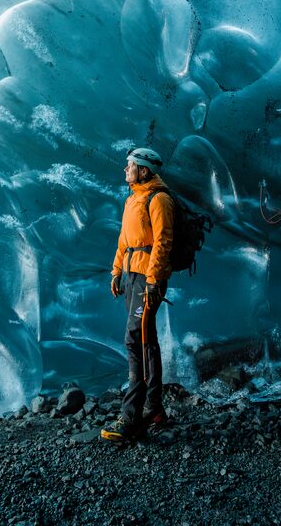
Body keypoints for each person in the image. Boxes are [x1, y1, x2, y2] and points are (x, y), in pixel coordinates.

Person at [100, 147, 175, 441]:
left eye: (129, 166)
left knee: (135, 339)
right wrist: (116, 271)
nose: (125, 169)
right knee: (145, 340)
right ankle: (155, 409)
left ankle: (131, 417)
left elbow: (163, 242)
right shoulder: (133, 199)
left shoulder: (160, 200)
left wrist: (154, 280)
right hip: (132, 275)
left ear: (143, 170)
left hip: (148, 278)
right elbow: (124, 240)